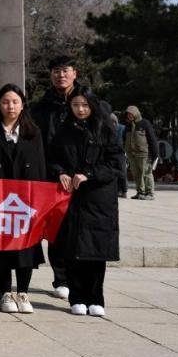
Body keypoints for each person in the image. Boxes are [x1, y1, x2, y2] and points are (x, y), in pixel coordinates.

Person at [48, 89, 123, 317]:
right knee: (73, 250)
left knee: (96, 251)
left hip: (98, 200)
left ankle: (96, 298)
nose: (80, 110)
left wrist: (90, 174)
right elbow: (52, 158)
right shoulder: (64, 131)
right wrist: (60, 172)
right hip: (72, 199)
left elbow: (115, 164)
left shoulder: (106, 130)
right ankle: (77, 297)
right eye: (75, 105)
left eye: (84, 105)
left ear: (92, 106)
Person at [0, 84, 46, 314]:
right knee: (2, 247)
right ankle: (6, 292)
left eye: (15, 102)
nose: (11, 106)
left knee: (25, 247)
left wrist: (40, 198)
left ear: (23, 105)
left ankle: (23, 292)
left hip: (26, 201)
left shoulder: (33, 133)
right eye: (6, 102)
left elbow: (40, 166)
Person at [31, 55, 83, 301]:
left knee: (80, 230)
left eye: (65, 70)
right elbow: (39, 144)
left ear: (74, 73)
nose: (61, 75)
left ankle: (79, 278)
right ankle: (61, 279)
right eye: (56, 71)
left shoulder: (87, 103)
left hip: (83, 176)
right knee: (58, 230)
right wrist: (57, 170)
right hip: (54, 176)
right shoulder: (41, 107)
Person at [124, 105, 158, 201]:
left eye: (131, 114)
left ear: (136, 113)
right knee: (136, 174)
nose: (129, 116)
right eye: (128, 114)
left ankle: (150, 193)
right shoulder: (128, 125)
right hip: (131, 154)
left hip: (143, 154)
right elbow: (124, 139)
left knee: (146, 173)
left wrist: (155, 154)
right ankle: (140, 192)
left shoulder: (145, 123)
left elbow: (152, 139)